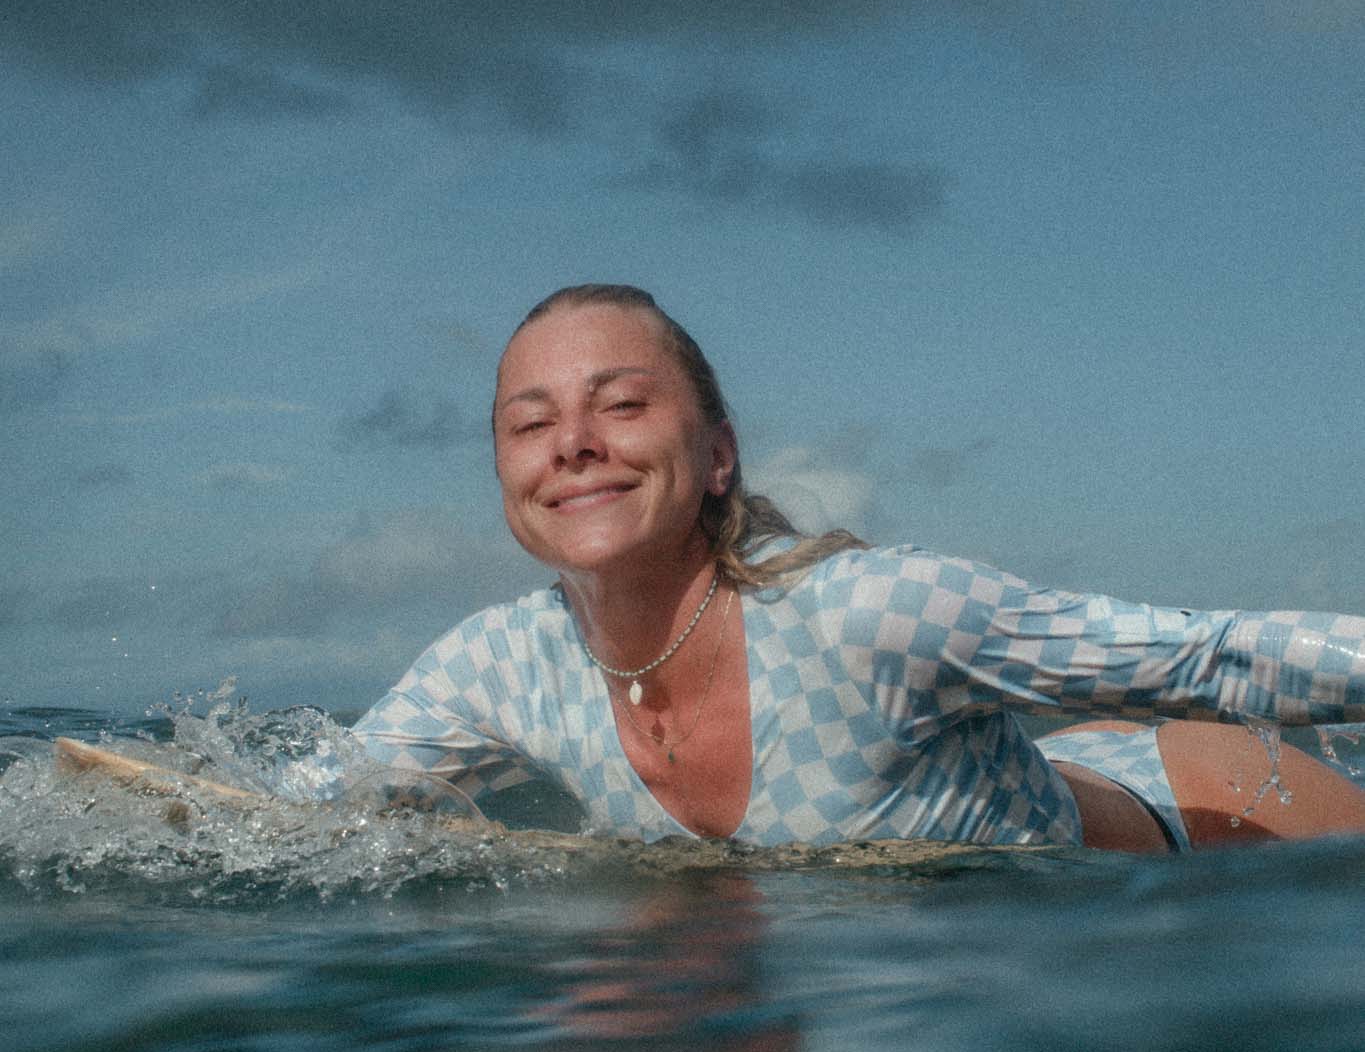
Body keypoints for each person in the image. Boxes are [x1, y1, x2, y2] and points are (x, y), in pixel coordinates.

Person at [353, 285, 1365, 854]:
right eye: (530, 422)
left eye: (621, 405)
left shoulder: (873, 614)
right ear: (504, 469)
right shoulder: (496, 668)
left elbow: (1209, 657)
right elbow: (291, 808)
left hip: (1201, 820)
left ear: (717, 454)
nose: (572, 441)